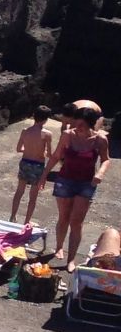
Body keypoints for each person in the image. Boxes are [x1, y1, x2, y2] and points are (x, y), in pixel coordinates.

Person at [47, 102, 110, 268]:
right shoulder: (68, 135)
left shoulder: (100, 140)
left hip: (86, 184)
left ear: (90, 124)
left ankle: (71, 259)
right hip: (65, 180)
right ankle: (59, 247)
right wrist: (43, 176)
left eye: (81, 124)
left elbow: (106, 160)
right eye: (76, 123)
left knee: (76, 222)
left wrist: (100, 173)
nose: (77, 126)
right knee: (63, 217)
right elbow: (55, 156)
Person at [13, 110, 56, 225]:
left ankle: (12, 216)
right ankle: (27, 221)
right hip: (37, 165)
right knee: (33, 196)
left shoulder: (25, 131)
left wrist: (28, 149)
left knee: (19, 191)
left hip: (25, 162)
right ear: (46, 119)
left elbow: (18, 149)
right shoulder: (47, 134)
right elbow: (49, 154)